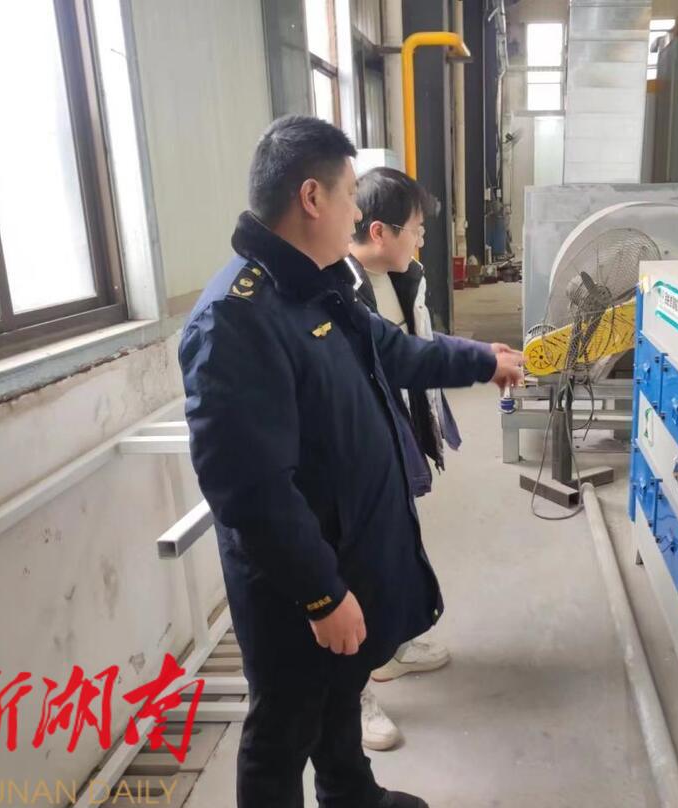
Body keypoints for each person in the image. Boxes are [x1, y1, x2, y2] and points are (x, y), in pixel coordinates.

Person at [179, 115, 524, 808]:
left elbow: (394, 350)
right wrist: (321, 594)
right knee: (283, 729)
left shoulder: (319, 285)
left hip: (345, 549)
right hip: (295, 584)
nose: (356, 213)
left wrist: (481, 360)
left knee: (340, 691)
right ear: (311, 198)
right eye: (348, 195)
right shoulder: (236, 320)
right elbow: (251, 491)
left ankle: (351, 796)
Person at [345, 167, 460, 751]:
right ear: (380, 231)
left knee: (398, 549)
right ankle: (355, 693)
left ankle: (393, 646)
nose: (421, 238)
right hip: (360, 450)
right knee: (358, 566)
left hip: (399, 431)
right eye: (415, 228)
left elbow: (419, 349)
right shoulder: (339, 291)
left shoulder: (402, 275)